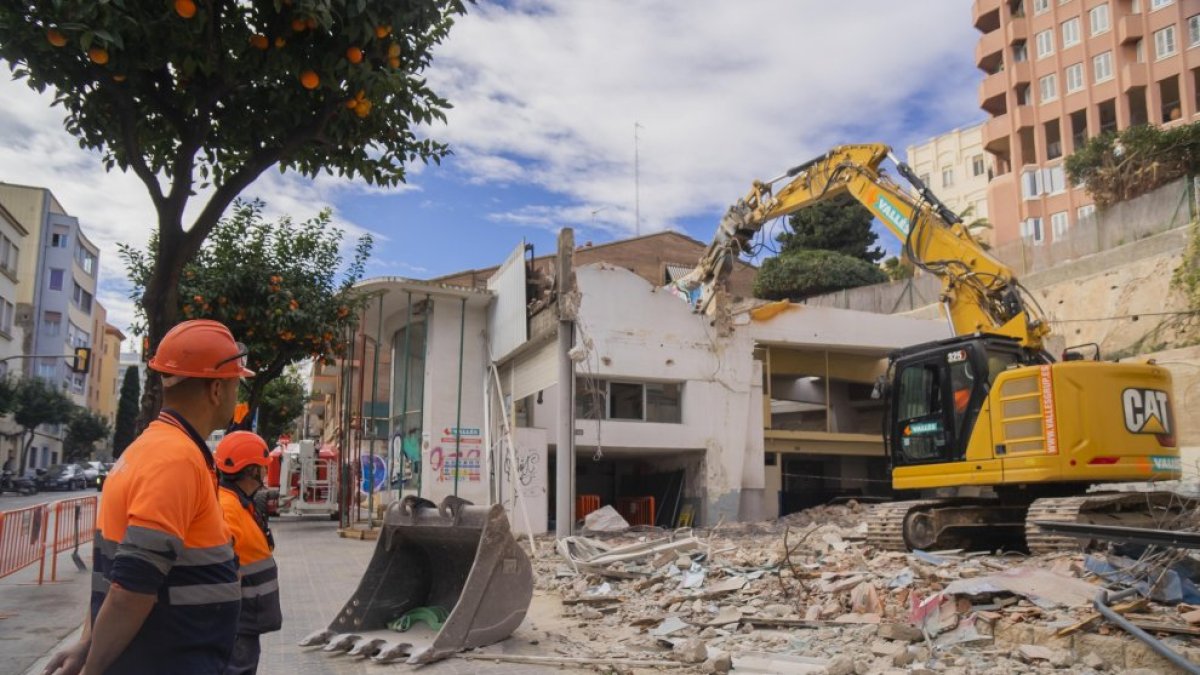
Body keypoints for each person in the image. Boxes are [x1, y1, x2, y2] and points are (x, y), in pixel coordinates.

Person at [45, 319, 253, 675]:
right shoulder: (175, 461)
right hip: (169, 661)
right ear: (217, 390)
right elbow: (131, 590)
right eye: (237, 385)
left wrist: (88, 643)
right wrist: (92, 668)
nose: (238, 396)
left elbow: (112, 574)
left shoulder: (149, 450)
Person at [214, 431, 282, 675]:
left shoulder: (239, 502)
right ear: (252, 470)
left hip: (244, 620)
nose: (265, 472)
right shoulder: (227, 509)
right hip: (236, 624)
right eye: (263, 467)